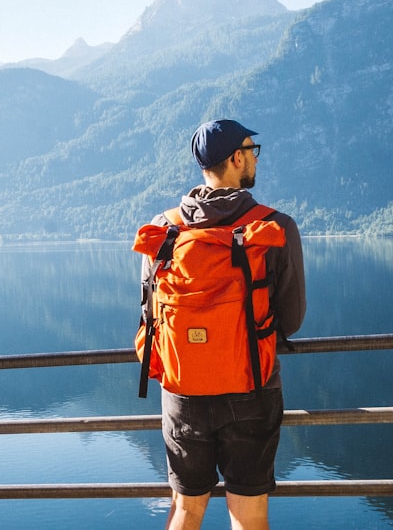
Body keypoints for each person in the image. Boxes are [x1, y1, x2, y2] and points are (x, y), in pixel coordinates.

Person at [143, 119, 306, 530]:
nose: (254, 157)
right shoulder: (274, 227)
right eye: (252, 149)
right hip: (251, 387)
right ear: (236, 158)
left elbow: (152, 312)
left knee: (185, 509)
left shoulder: (162, 231)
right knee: (247, 515)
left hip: (183, 392)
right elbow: (292, 319)